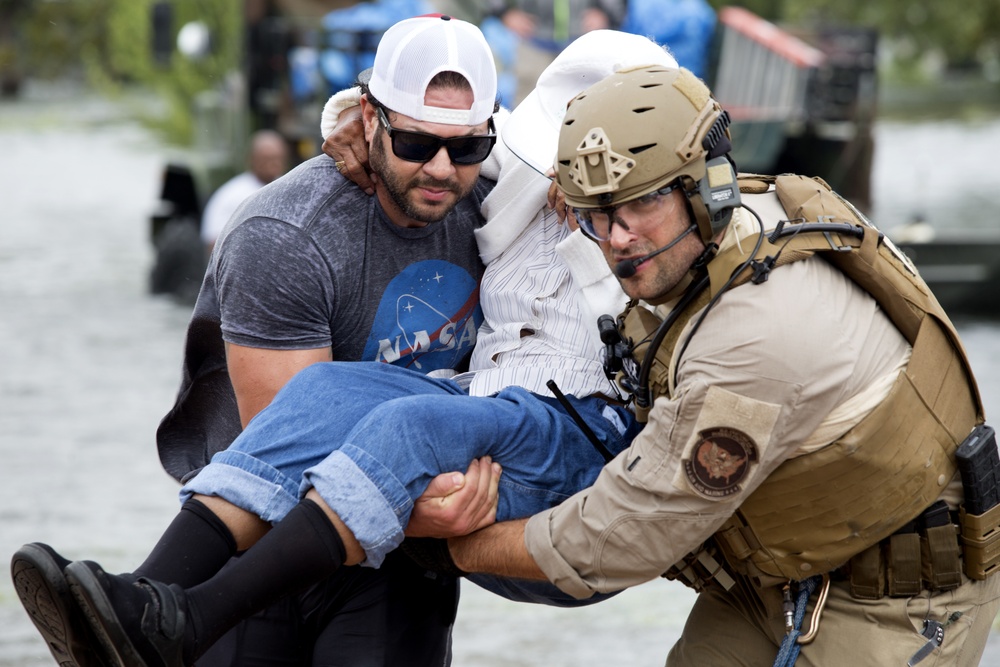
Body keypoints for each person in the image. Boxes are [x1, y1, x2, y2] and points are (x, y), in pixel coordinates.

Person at [10, 27, 678, 667]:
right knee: (324, 392)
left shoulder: (656, 223)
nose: (444, 167)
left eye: (464, 149)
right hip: (372, 471)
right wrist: (349, 122)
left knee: (408, 426)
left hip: (569, 421)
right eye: (414, 140)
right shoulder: (494, 183)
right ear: (374, 123)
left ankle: (189, 620)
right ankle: (134, 607)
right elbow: (435, 130)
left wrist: (608, 200)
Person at [439, 65, 1000, 665]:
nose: (617, 239)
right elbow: (594, 79)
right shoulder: (744, 219)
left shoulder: (754, 336)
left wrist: (455, 546)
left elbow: (625, 536)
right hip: (778, 574)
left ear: (704, 190)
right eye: (594, 217)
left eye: (636, 207)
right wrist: (358, 129)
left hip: (897, 604)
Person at [486, 0, 626, 104]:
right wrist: (504, 13)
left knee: (588, 105)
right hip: (533, 42)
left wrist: (606, 12)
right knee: (527, 108)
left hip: (583, 42)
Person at [199, 129, 290, 253]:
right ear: (251, 159)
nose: (273, 164)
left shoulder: (289, 190)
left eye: (278, 159)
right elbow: (213, 241)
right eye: (267, 159)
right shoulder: (231, 194)